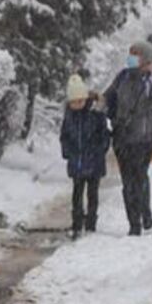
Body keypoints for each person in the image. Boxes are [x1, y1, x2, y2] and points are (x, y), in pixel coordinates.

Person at [103, 40, 152, 236]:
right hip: (122, 137)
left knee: (139, 177)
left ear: (145, 58)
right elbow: (107, 99)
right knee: (127, 181)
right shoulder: (122, 77)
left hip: (144, 138)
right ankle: (134, 223)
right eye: (130, 53)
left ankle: (144, 213)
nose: (131, 57)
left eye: (136, 54)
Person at [58, 73, 109, 238]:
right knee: (77, 194)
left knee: (92, 194)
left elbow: (104, 135)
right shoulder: (69, 117)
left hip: (94, 162)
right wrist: (67, 152)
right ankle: (77, 223)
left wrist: (99, 150)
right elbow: (64, 136)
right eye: (73, 102)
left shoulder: (95, 114)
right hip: (76, 162)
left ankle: (91, 223)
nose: (77, 104)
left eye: (80, 101)